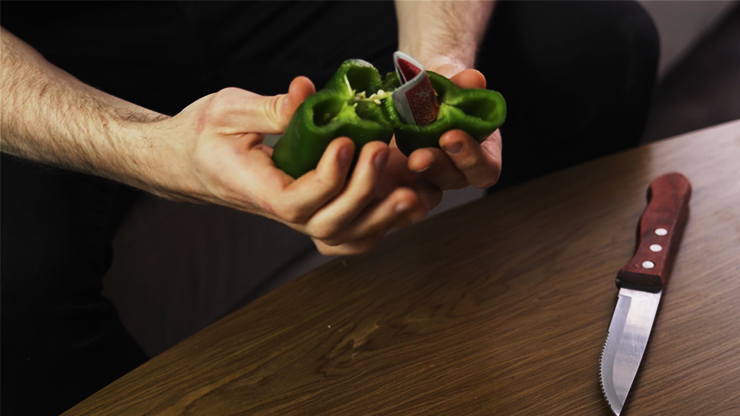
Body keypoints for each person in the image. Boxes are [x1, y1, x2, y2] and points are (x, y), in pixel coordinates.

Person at [0, 1, 658, 414]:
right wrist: (152, 151)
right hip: (37, 40)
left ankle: (550, 341)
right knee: (17, 283)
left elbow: (436, 75)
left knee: (594, 43)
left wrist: (433, 72)